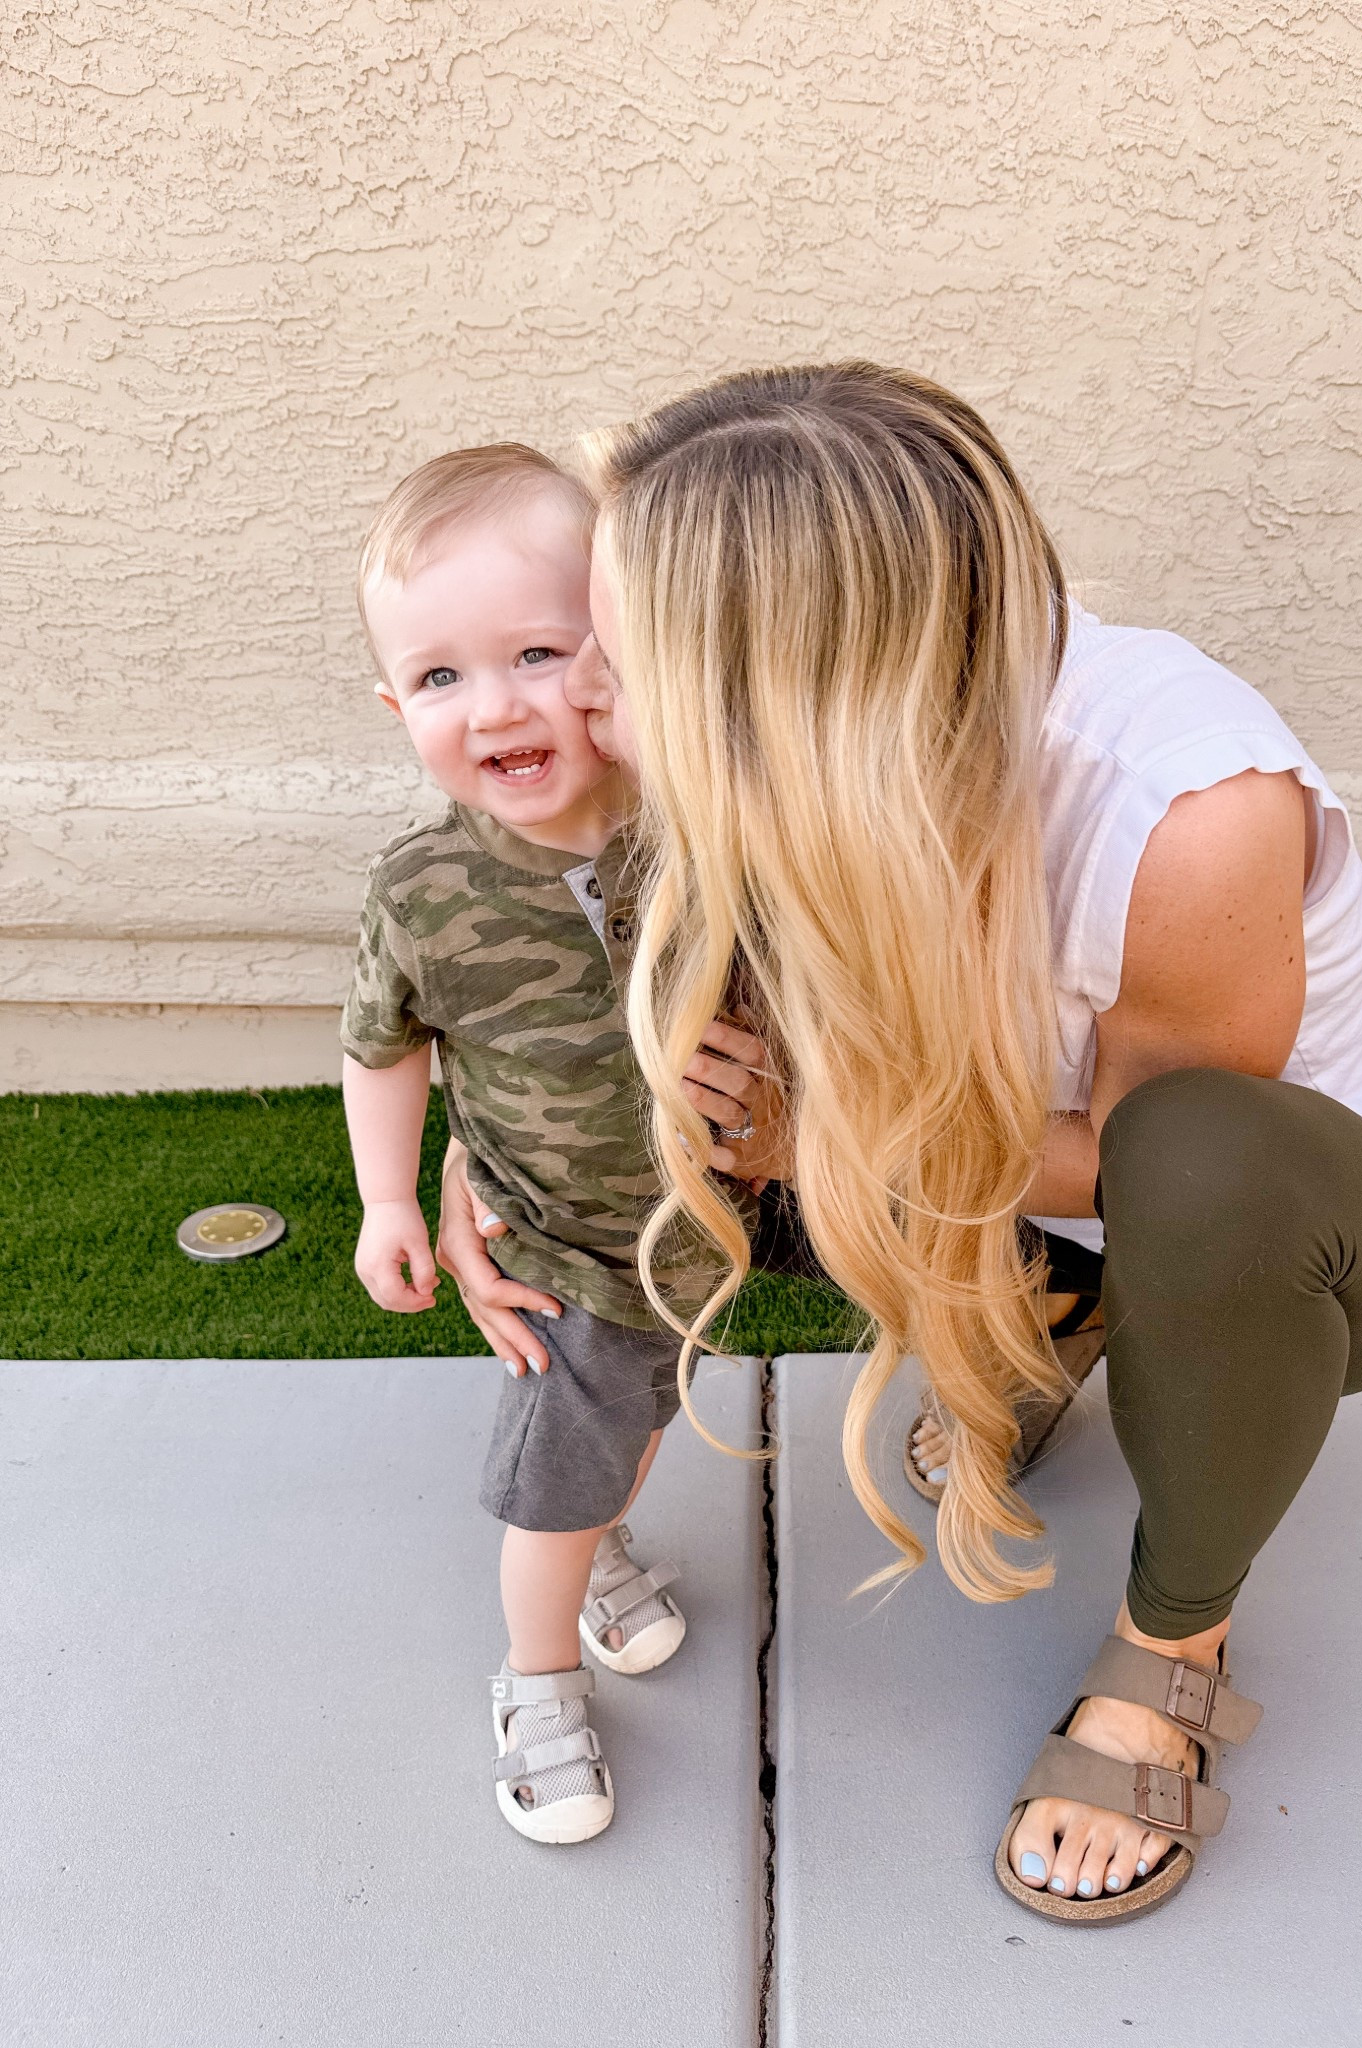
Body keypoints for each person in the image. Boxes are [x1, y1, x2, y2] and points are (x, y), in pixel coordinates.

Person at [438, 362, 1362, 1923]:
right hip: (1022, 1173)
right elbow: (528, 948)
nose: (584, 694)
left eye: (619, 659)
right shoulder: (814, 758)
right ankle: (1055, 1314)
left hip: (1309, 1233)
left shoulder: (1187, 800)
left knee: (1194, 1166)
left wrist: (834, 1138)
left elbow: (1137, 1166)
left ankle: (1171, 1645)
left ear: (783, 680)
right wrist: (481, 1153)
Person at [339, 442, 761, 1845]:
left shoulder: (696, 835)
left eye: (535, 650)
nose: (497, 704)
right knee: (553, 1474)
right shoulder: (425, 890)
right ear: (396, 704)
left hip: (687, 1228)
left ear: (616, 665)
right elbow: (384, 1047)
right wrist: (387, 1203)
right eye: (442, 676)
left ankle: (598, 1552)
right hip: (551, 1252)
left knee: (631, 1435)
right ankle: (536, 1684)